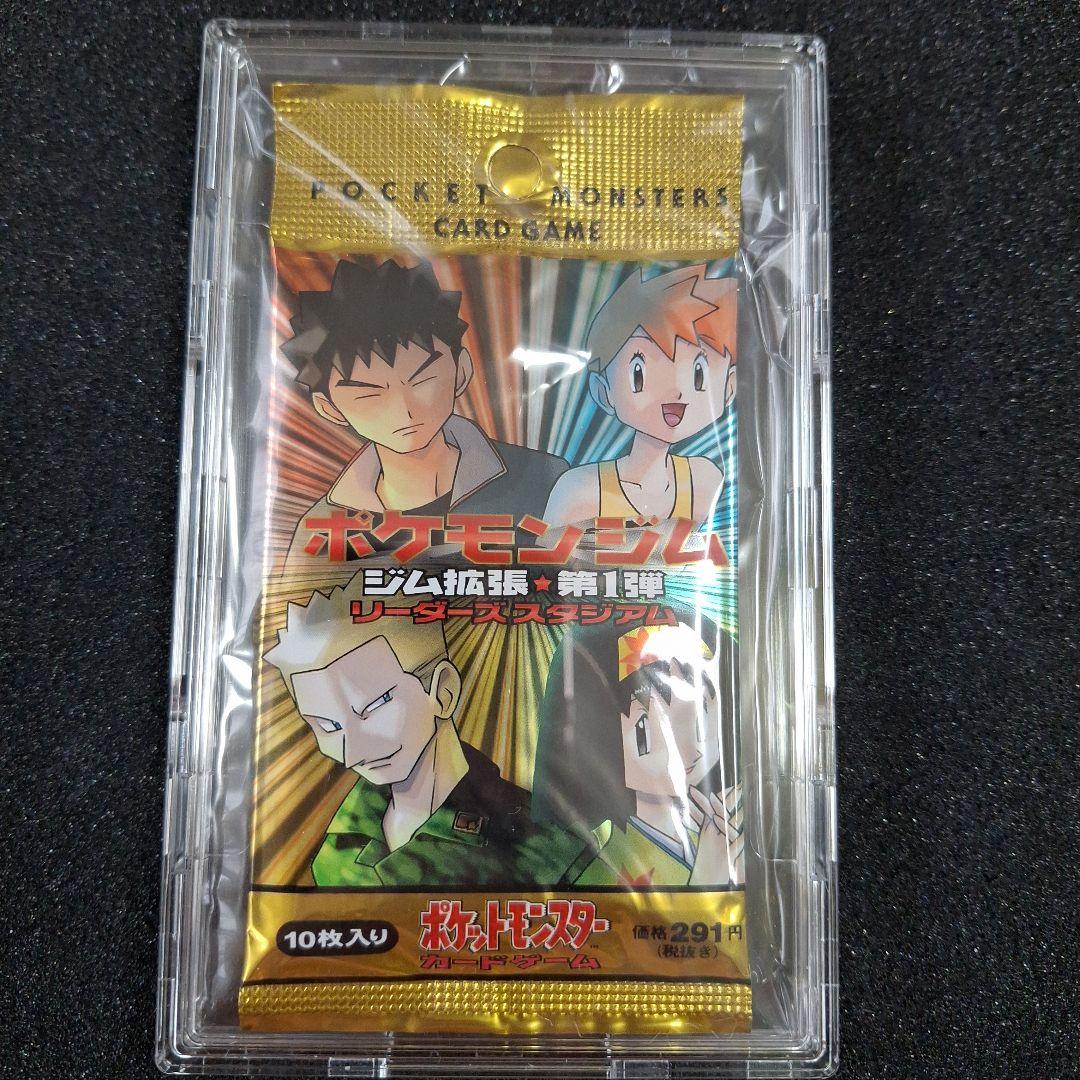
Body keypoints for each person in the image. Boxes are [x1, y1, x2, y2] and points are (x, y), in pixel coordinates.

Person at [264, 579, 598, 887]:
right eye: (328, 725)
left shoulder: (551, 851)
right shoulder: (341, 839)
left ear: (443, 692)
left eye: (374, 706)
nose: (352, 752)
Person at [280, 257, 567, 574]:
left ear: (461, 371)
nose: (403, 409)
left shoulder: (546, 480)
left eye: (422, 379)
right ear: (330, 408)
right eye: (368, 393)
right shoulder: (322, 528)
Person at [531, 609, 743, 887]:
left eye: (701, 716)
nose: (690, 750)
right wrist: (705, 883)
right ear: (598, 735)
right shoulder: (599, 869)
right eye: (645, 727)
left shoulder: (719, 833)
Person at [542, 265, 736, 529]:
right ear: (603, 392)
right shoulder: (579, 491)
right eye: (639, 373)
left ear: (729, 388)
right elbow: (546, 555)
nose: (675, 391)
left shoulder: (705, 480)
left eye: (698, 374)